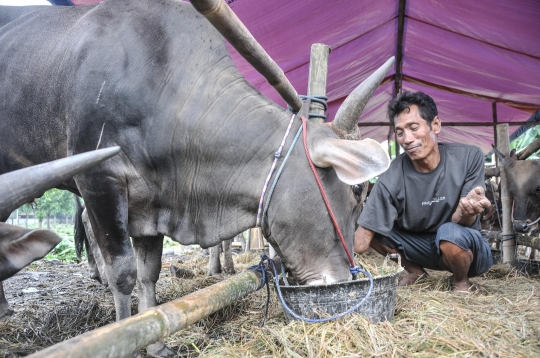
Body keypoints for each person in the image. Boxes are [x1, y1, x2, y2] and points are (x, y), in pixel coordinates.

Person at [354, 91, 493, 292]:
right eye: (400, 132)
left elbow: (461, 221)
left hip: (466, 249)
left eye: (414, 127)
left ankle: (460, 280)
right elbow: (362, 240)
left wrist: (466, 211)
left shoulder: (468, 157)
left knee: (450, 233)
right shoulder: (391, 176)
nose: (407, 139)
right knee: (371, 225)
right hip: (420, 247)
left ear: (435, 125)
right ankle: (415, 271)